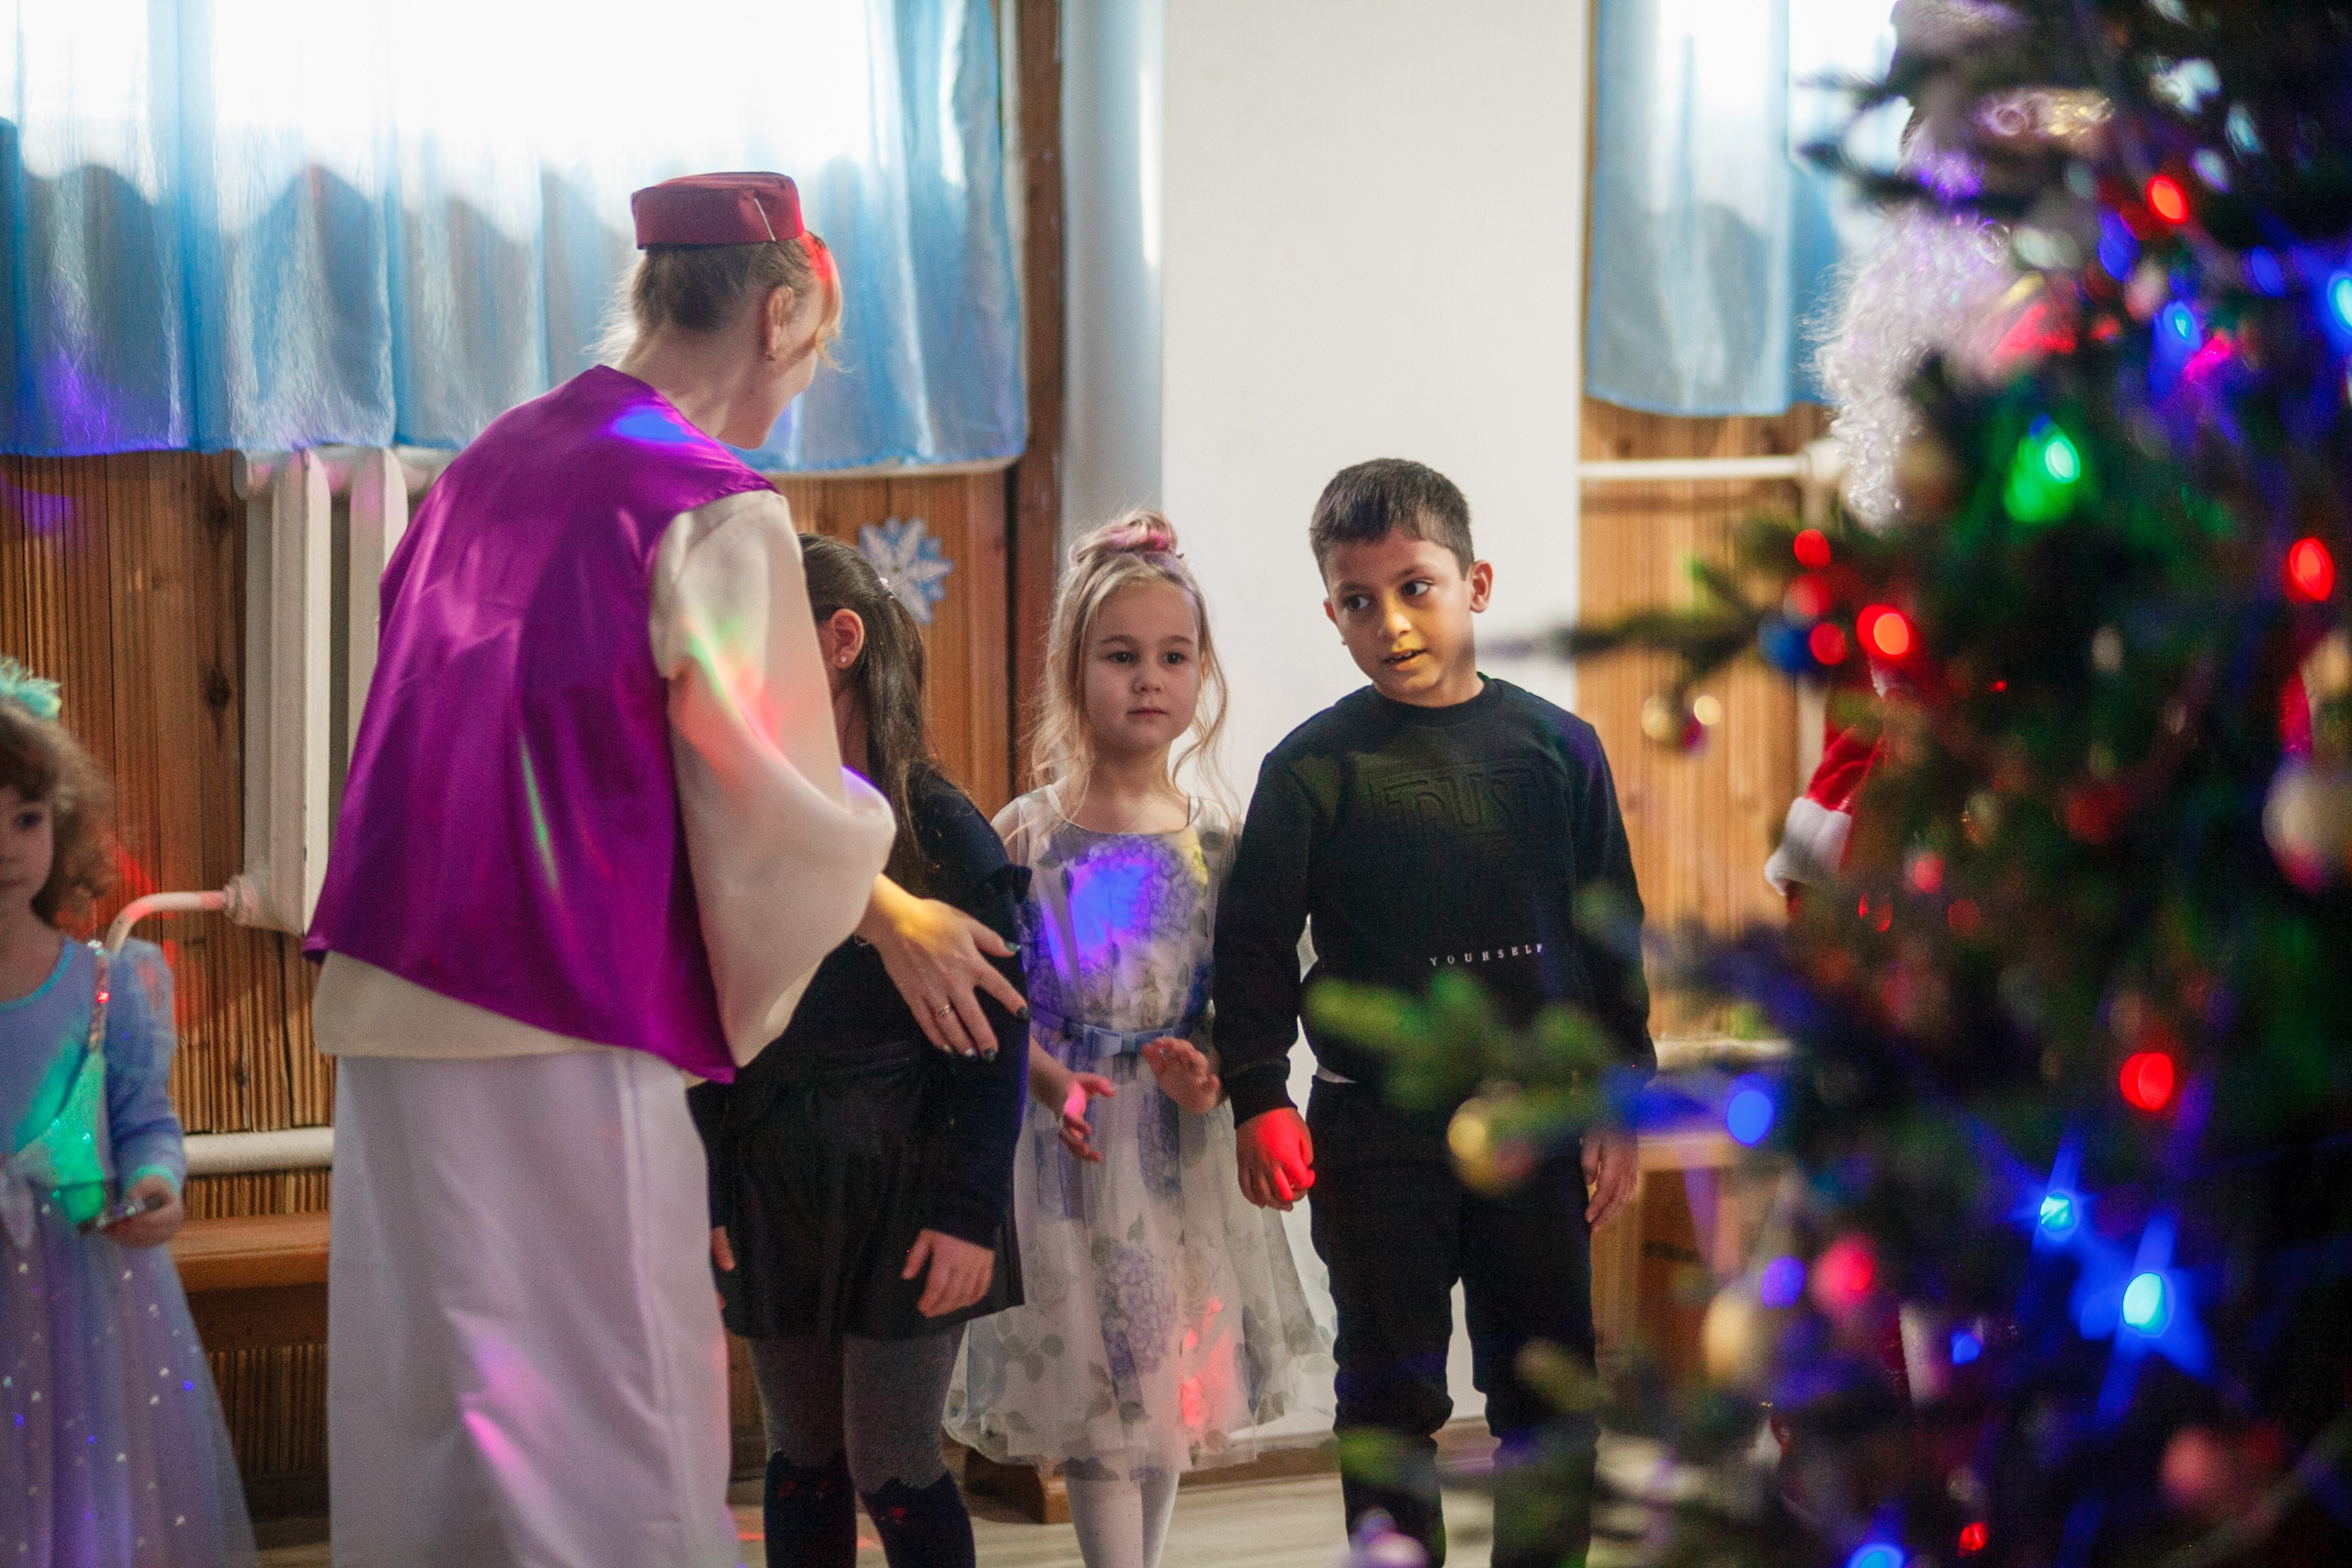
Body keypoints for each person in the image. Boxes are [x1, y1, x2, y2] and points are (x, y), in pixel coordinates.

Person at [305, 173, 1023, 1568]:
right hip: (564, 1005)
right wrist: (888, 909)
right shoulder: (705, 502)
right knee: (611, 1429)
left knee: (435, 1422)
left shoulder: (483, 466)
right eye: (808, 358)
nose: (792, 394)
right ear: (778, 315)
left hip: (391, 1004)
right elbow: (768, 803)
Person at [1212, 459, 1655, 1568]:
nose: (1392, 622)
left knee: (1548, 1392)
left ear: (1476, 584)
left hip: (1533, 1124)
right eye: (1358, 601)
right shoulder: (1310, 768)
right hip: (1374, 1133)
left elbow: (1610, 934)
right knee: (1386, 1396)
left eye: (1416, 587)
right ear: (1331, 614)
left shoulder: (1559, 750)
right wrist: (1258, 1096)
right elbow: (1253, 947)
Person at [947, 514, 1332, 1568]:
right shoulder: (1027, 833)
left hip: (1175, 1159)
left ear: (1201, 673)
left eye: (1172, 657)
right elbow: (992, 998)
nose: (1148, 680)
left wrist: (1210, 1075)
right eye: (1121, 656)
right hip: (1063, 1151)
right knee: (1096, 1412)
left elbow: (1242, 1006)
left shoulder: (1218, 841)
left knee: (1164, 1395)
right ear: (1074, 670)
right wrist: (1046, 1078)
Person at [688, 534, 1027, 1568]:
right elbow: (700, 1025)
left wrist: (967, 1213)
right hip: (773, 1181)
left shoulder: (938, 829)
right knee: (801, 1453)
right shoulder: (738, 823)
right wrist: (704, 1191)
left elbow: (997, 1046)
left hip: (909, 1191)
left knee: (890, 1454)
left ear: (839, 642)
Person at [0, 660, 257, 1568]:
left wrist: (155, 1182)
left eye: (26, 818)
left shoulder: (108, 987)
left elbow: (145, 1120)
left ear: (60, 826)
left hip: (88, 1303)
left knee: (93, 1504)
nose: (6, 846)